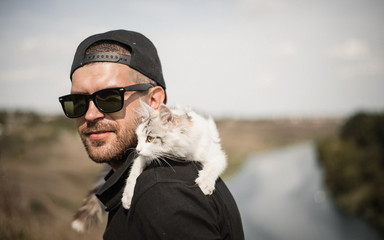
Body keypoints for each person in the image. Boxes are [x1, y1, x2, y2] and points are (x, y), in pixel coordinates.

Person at [59, 29, 244, 239]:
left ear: (154, 101)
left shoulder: (163, 193)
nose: (90, 115)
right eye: (77, 102)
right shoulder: (153, 183)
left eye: (110, 98)